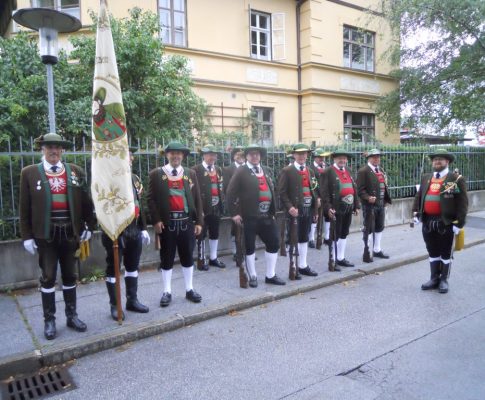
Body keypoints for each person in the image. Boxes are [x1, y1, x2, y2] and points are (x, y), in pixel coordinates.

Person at [19, 133, 96, 340]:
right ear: (42, 149)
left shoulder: (75, 172)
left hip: (70, 233)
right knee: (48, 278)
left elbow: (86, 203)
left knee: (70, 276)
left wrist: (90, 225)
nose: (53, 151)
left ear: (62, 150)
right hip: (46, 236)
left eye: (57, 147)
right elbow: (24, 208)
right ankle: (50, 321)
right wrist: (27, 236)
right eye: (49, 147)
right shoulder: (29, 173)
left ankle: (72, 316)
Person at [148, 142, 204, 307]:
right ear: (167, 155)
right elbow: (150, 200)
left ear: (183, 156)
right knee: (167, 258)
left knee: (187, 257)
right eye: (172, 153)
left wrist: (199, 221)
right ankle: (167, 291)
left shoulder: (190, 173)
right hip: (167, 224)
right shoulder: (156, 174)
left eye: (179, 154)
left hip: (186, 222)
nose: (176, 156)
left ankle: (189, 289)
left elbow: (198, 199)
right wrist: (156, 220)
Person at [226, 144, 285, 287]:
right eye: (252, 154)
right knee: (250, 247)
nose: (255, 156)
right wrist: (234, 214)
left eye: (257, 154)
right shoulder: (241, 171)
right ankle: (252, 275)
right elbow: (229, 193)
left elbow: (273, 189)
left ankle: (270, 275)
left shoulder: (266, 170)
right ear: (246, 156)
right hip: (249, 217)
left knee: (274, 243)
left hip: (266, 216)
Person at [101, 146, 150, 320]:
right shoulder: (107, 178)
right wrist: (114, 232)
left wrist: (143, 228)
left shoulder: (135, 178)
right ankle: (115, 305)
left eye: (129, 157)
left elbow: (139, 205)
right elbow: (102, 208)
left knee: (132, 266)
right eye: (123, 157)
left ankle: (132, 300)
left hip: (134, 229)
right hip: (115, 232)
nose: (127, 159)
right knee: (113, 268)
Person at [412, 149, 468, 294]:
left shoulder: (455, 179)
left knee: (445, 252)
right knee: (432, 250)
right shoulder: (426, 177)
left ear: (447, 162)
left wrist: (459, 223)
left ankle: (444, 279)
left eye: (440, 159)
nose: (437, 162)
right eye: (435, 159)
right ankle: (434, 278)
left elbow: (462, 204)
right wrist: (416, 213)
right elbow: (419, 197)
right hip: (428, 221)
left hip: (446, 222)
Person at [278, 143, 319, 277]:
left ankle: (303, 265)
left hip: (308, 209)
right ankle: (293, 266)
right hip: (294, 211)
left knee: (304, 237)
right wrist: (290, 207)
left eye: (304, 153)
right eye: (299, 154)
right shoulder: (287, 171)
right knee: (292, 238)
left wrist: (315, 210)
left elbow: (313, 191)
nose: (302, 156)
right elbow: (282, 192)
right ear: (294, 155)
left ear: (307, 155)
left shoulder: (310, 171)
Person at [321, 149, 360, 270]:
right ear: (334, 159)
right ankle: (332, 260)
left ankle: (341, 258)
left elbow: (354, 188)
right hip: (335, 208)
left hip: (348, 207)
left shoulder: (348, 170)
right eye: (340, 158)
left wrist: (356, 205)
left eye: (344, 158)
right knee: (335, 234)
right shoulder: (327, 172)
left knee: (344, 233)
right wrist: (328, 207)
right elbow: (324, 192)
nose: (342, 160)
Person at [192, 144, 225, 270]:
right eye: (210, 154)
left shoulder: (218, 169)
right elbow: (193, 191)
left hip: (216, 206)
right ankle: (201, 259)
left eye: (214, 155)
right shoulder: (195, 170)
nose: (213, 157)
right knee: (201, 233)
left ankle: (213, 258)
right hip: (203, 208)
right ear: (204, 155)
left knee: (215, 233)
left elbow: (221, 187)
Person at [356, 149, 392, 262]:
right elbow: (360, 190)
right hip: (369, 205)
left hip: (380, 204)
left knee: (379, 227)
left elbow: (383, 186)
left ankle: (377, 250)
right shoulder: (363, 171)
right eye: (374, 157)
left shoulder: (380, 170)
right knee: (369, 229)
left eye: (378, 157)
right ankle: (367, 251)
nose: (376, 159)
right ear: (369, 158)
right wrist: (367, 198)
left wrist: (385, 199)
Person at [222, 146, 245, 261]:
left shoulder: (248, 167)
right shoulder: (227, 169)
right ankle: (236, 252)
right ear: (234, 156)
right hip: (235, 203)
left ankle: (246, 250)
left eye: (242, 155)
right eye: (238, 155)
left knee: (248, 228)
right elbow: (226, 188)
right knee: (236, 229)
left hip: (248, 203)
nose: (240, 157)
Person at [309, 147, 331, 248]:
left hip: (327, 197)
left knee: (328, 216)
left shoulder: (328, 167)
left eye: (323, 157)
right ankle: (311, 239)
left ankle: (326, 238)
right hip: (316, 196)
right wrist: (316, 197)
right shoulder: (310, 168)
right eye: (319, 157)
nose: (322, 159)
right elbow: (311, 185)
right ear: (315, 157)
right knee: (315, 217)